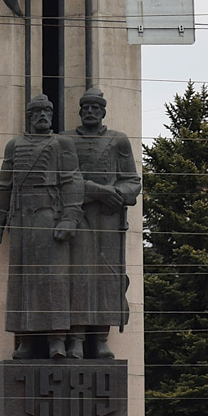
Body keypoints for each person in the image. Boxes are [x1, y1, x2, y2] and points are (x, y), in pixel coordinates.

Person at [0, 94, 83, 359]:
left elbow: (72, 181)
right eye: (38, 112)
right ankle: (26, 341)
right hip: (21, 220)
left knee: (53, 279)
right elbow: (4, 185)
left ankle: (57, 340)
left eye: (47, 111)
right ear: (30, 117)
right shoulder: (15, 145)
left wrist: (70, 217)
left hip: (49, 216)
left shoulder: (62, 143)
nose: (43, 116)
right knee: (23, 282)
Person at [64, 88, 140, 359]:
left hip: (108, 218)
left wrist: (117, 194)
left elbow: (132, 180)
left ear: (103, 111)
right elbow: (63, 180)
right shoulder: (65, 140)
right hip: (78, 214)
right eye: (86, 108)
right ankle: (75, 338)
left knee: (108, 276)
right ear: (80, 111)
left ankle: (101, 338)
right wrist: (97, 190)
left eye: (96, 108)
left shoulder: (118, 140)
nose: (91, 112)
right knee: (78, 276)